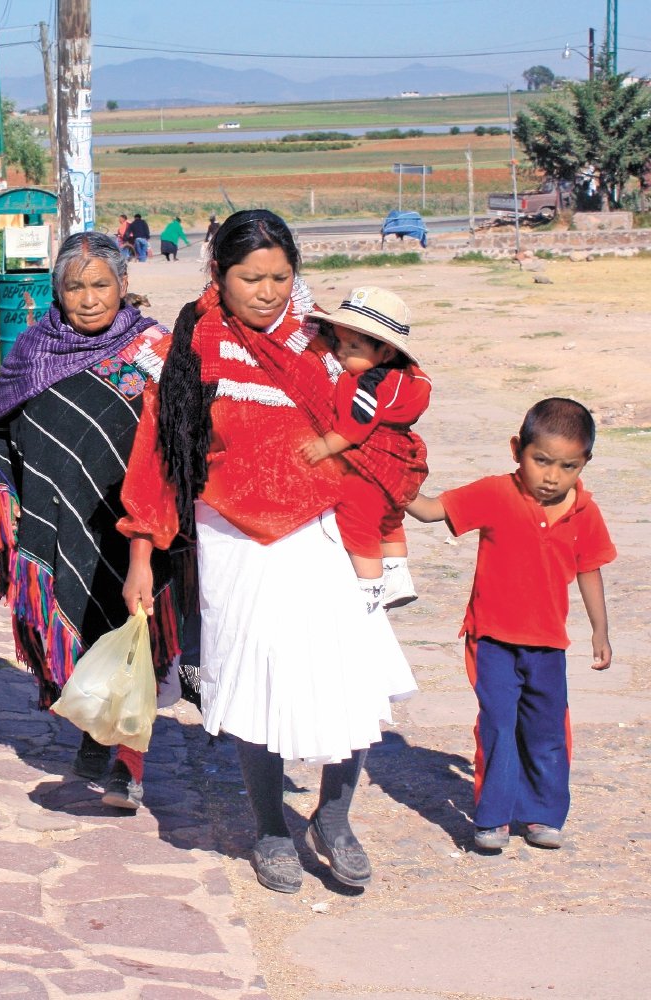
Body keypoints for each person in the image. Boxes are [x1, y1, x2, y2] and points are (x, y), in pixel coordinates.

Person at [120, 210, 415, 893]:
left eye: (282, 276)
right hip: (235, 542)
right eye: (250, 277)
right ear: (216, 274)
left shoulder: (327, 343)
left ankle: (334, 819)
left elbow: (390, 412)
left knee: (349, 677)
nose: (268, 291)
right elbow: (158, 461)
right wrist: (142, 552)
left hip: (325, 533)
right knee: (256, 687)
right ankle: (270, 829)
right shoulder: (187, 353)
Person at [0, 231, 182, 811]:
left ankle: (129, 766)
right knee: (83, 628)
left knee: (136, 636)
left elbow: (180, 433)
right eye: (75, 287)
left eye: (100, 285)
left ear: (124, 286)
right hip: (60, 519)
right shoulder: (32, 352)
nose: (89, 298)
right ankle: (96, 733)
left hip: (138, 524)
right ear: (57, 291)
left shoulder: (154, 350)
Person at [406, 397, 615, 853]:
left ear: (585, 464)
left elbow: (590, 569)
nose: (552, 476)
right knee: (498, 725)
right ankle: (493, 818)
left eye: (568, 466)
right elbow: (427, 510)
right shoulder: (495, 494)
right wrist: (392, 475)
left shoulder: (586, 512)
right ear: (517, 448)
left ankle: (543, 814)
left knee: (547, 731)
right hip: (493, 641)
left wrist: (600, 630)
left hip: (548, 646)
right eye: (541, 461)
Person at [300, 286, 431, 613]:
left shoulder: (366, 384)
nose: (342, 353)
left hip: (369, 463)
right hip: (401, 457)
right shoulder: (410, 376)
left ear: (385, 352)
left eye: (353, 347)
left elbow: (356, 425)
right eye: (339, 343)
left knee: (358, 522)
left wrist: (326, 446)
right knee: (389, 517)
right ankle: (398, 572)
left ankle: (369, 590)